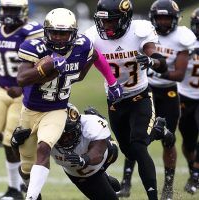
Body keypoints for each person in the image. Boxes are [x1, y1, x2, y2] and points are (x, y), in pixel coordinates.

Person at [14, 7, 122, 200]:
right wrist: (45, 69)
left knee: (44, 147)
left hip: (57, 109)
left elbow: (94, 57)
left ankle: (29, 198)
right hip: (30, 110)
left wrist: (112, 82)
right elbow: (21, 79)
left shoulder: (82, 46)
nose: (58, 38)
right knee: (27, 168)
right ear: (46, 32)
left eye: (64, 34)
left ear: (73, 34)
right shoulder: (34, 47)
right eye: (54, 33)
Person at [84, 0, 177, 199]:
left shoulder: (139, 31)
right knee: (129, 151)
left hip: (140, 96)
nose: (106, 26)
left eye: (112, 21)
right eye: (103, 21)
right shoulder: (92, 35)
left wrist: (151, 61)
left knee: (138, 146)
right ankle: (158, 130)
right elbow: (80, 65)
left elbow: (162, 64)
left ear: (125, 19)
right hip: (115, 102)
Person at [116, 1, 196, 199]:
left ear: (175, 19)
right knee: (135, 137)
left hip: (168, 93)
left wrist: (154, 66)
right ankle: (126, 183)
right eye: (159, 17)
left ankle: (168, 188)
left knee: (170, 142)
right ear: (152, 18)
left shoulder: (183, 38)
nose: (163, 22)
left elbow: (178, 75)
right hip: (145, 90)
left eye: (167, 18)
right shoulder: (143, 32)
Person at [0, 0, 43, 199]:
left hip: (24, 94)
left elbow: (43, 67)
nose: (9, 14)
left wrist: (21, 86)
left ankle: (15, 189)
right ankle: (17, 146)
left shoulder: (31, 32)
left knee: (8, 141)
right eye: (7, 9)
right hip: (2, 91)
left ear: (24, 11)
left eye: (14, 10)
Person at [51, 104, 120, 200]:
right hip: (82, 175)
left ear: (78, 126)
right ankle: (105, 178)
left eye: (69, 135)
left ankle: (99, 117)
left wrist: (84, 159)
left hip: (105, 158)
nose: (66, 140)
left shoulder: (89, 123)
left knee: (112, 150)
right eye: (62, 136)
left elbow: (99, 151)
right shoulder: (45, 136)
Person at [178, 7, 199, 195]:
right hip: (184, 96)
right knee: (188, 141)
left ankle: (196, 175)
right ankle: (193, 169)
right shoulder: (185, 42)